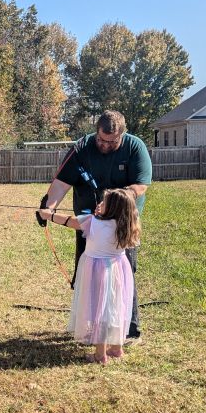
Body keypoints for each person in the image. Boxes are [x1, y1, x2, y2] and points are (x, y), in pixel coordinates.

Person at [36, 110, 152, 343]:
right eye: (101, 140)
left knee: (123, 274)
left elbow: (140, 186)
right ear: (96, 132)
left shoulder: (135, 147)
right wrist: (48, 207)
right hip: (89, 223)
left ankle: (129, 329)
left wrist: (113, 204)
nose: (105, 145)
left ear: (122, 135)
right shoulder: (82, 148)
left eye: (112, 142)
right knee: (89, 272)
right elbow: (61, 183)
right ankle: (91, 326)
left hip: (122, 224)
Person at [37, 189, 140, 362]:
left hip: (97, 271)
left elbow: (69, 220)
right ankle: (116, 349)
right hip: (118, 270)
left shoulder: (92, 222)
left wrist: (48, 215)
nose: (99, 204)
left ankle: (100, 355)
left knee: (99, 311)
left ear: (112, 208)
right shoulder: (128, 224)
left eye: (104, 202)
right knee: (115, 307)